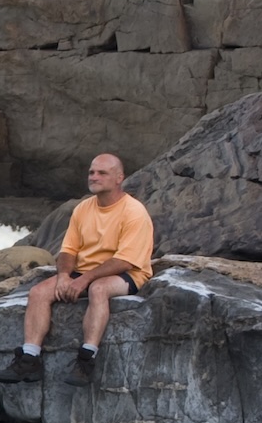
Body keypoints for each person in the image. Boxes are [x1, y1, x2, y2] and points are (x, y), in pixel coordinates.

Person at [8, 151, 154, 381]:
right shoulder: (83, 208)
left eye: (102, 173)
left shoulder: (134, 212)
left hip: (128, 272)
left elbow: (124, 260)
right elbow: (68, 250)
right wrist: (65, 276)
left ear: (119, 178)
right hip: (85, 270)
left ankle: (86, 359)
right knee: (38, 292)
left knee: (99, 289)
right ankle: (30, 358)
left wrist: (84, 280)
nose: (94, 177)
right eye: (91, 172)